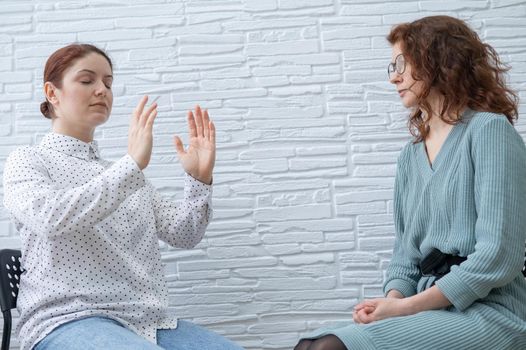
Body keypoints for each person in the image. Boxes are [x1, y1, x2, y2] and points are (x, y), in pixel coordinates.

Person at [294, 15, 526, 350]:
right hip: (428, 306)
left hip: (491, 309)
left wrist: (405, 308)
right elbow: (405, 255)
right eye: (392, 67)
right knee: (310, 345)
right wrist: (390, 301)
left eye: (403, 63)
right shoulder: (410, 156)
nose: (395, 77)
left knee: (328, 347)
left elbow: (497, 256)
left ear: (440, 61)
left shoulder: (488, 131)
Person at [3, 43, 244, 350]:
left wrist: (199, 180)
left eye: (108, 82)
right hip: (66, 321)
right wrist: (131, 166)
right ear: (52, 93)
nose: (102, 90)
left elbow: (184, 234)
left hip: (148, 324)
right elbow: (50, 217)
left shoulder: (125, 174)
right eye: (87, 80)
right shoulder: (29, 160)